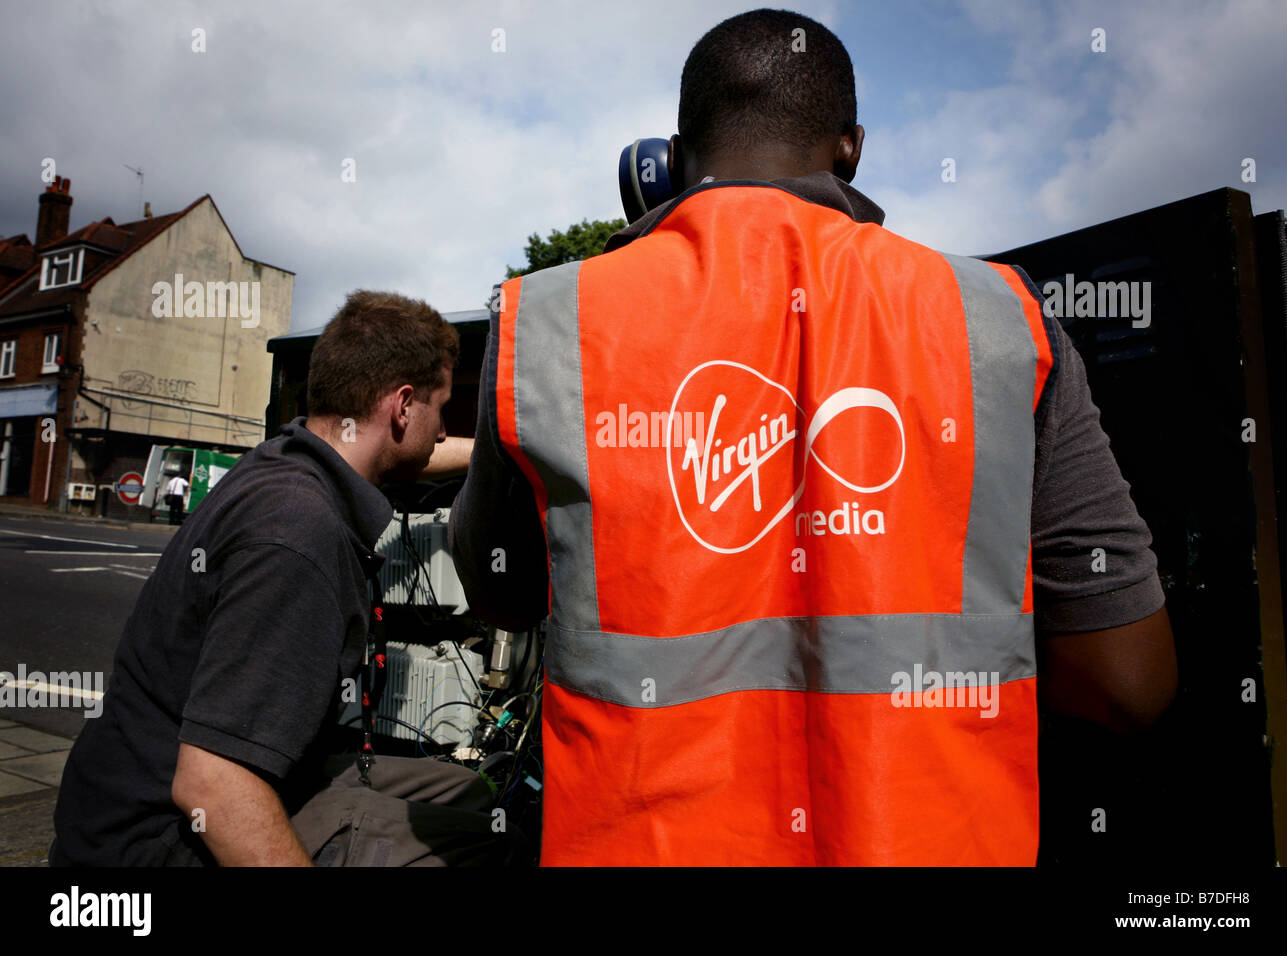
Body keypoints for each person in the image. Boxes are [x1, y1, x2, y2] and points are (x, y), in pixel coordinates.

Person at [450, 8, 1177, 865]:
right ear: (851, 148)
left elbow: (500, 591)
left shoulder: (553, 323)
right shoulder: (999, 325)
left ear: (675, 160)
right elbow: (1130, 684)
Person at [51, 290, 516, 866]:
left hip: (158, 795)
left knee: (467, 789)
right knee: (491, 848)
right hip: (149, 843)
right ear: (402, 406)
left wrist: (505, 451)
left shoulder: (290, 459)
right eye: (440, 410)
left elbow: (416, 452)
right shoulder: (298, 535)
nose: (443, 432)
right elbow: (213, 789)